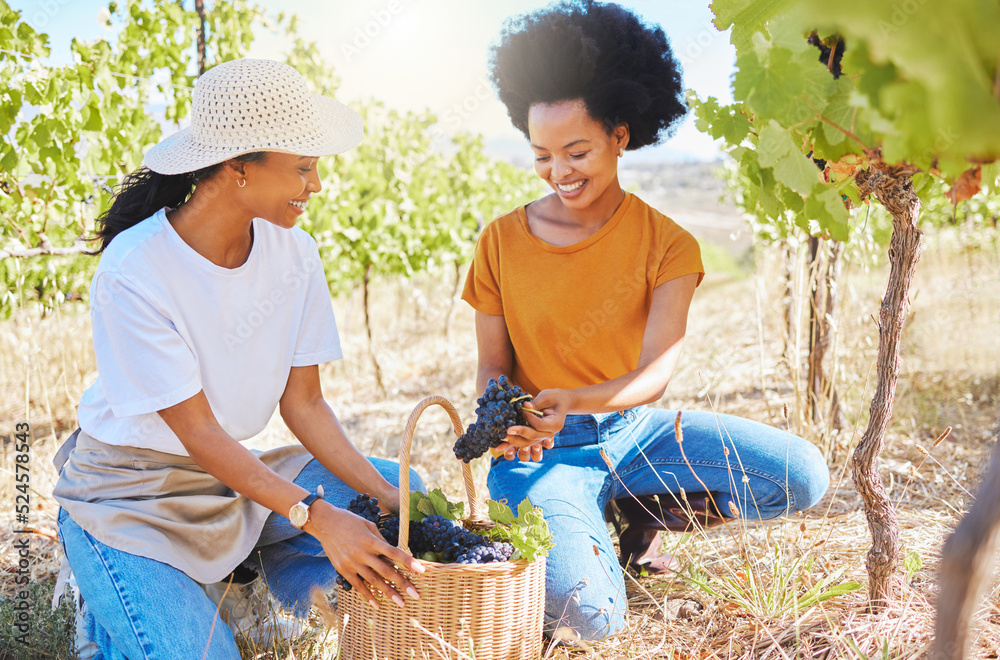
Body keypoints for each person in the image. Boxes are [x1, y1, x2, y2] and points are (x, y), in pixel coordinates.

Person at [461, 1, 831, 643]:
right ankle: (582, 515)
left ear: (620, 134)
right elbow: (492, 365)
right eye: (542, 155)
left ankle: (638, 508)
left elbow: (658, 370)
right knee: (590, 619)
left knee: (801, 475)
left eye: (576, 151)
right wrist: (504, 417)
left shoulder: (668, 244)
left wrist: (579, 398)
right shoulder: (500, 241)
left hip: (636, 431)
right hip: (543, 450)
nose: (559, 173)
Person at [52, 58, 425, 660]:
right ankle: (114, 608)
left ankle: (253, 578)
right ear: (236, 168)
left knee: (408, 502)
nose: (317, 185)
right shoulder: (135, 269)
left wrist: (387, 496)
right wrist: (315, 516)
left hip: (230, 483)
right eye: (303, 169)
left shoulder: (295, 253)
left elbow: (304, 404)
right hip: (130, 497)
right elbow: (196, 431)